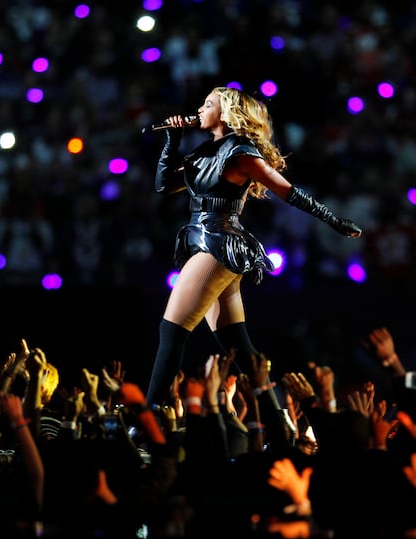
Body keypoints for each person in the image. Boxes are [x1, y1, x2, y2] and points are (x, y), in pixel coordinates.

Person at [144, 86, 362, 408]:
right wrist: (172, 141)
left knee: (172, 330)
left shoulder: (241, 152)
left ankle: (150, 419)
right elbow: (164, 186)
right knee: (240, 349)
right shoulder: (205, 151)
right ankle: (280, 421)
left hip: (218, 245)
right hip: (203, 241)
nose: (200, 110)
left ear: (227, 113)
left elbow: (287, 190)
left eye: (208, 105)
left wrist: (333, 220)